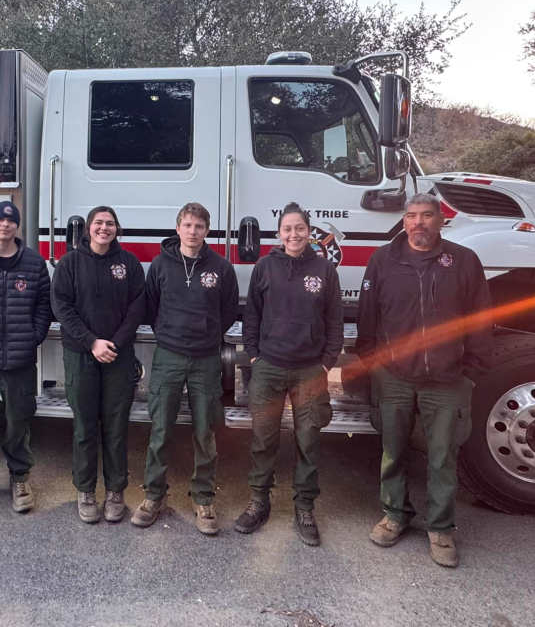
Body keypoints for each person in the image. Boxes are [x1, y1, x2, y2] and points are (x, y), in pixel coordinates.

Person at [356, 193, 492, 567]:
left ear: (440, 219)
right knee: (392, 452)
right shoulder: (383, 260)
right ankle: (394, 515)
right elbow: (368, 317)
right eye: (412, 216)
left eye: (427, 216)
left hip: (448, 380)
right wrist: (373, 361)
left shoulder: (463, 262)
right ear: (404, 221)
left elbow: (480, 318)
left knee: (442, 456)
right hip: (395, 377)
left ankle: (441, 528)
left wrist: (472, 371)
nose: (419, 223)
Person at [235, 202, 343, 546]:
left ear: (309, 232)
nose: (293, 234)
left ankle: (305, 507)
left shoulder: (325, 270)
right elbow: (251, 313)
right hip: (268, 367)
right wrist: (254, 356)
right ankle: (258, 502)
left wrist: (326, 362)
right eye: (287, 229)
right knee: (263, 439)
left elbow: (335, 320)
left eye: (299, 228)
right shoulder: (265, 267)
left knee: (308, 440)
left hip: (310, 369)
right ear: (278, 234)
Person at [131, 202, 238, 535]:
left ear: (207, 230)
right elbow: (150, 306)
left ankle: (203, 498)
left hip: (206, 359)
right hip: (169, 357)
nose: (193, 231)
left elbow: (229, 310)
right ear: (177, 228)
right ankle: (153, 496)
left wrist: (206, 332)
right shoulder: (161, 265)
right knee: (160, 429)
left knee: (205, 432)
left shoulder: (220, 267)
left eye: (199, 226)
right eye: (188, 225)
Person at [51, 206, 145, 523]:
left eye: (110, 223)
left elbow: (137, 307)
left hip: (118, 356)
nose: (104, 228)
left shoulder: (129, 263)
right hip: (80, 354)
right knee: (84, 426)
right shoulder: (69, 263)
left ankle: (116, 491)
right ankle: (86, 490)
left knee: (116, 427)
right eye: (98, 223)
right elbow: (61, 306)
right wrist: (92, 341)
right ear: (88, 228)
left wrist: (114, 343)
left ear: (117, 229)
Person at [0, 201, 51, 512]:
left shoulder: (33, 263)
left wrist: (34, 337)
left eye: (10, 220)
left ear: (17, 227)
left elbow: (44, 305)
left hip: (19, 360)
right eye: (0, 219)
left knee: (18, 420)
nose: (4, 225)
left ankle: (20, 478)